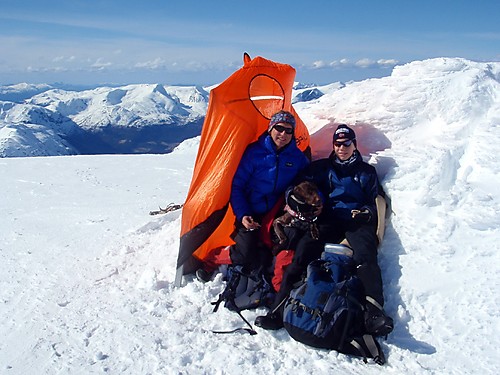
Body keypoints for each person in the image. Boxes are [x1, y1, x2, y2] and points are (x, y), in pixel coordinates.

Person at [255, 124, 394, 337]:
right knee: (301, 255)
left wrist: (367, 212)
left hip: (356, 221)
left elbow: (376, 198)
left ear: (354, 145)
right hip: (329, 219)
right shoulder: (323, 168)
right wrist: (294, 196)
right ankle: (277, 310)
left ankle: (374, 313)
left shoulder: (366, 172)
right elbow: (299, 183)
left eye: (346, 143)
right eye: (337, 144)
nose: (341, 148)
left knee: (365, 257)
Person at [229, 110, 310, 274]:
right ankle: (218, 258)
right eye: (279, 128)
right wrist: (243, 214)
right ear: (270, 128)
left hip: (275, 212)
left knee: (268, 252)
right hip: (251, 211)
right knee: (246, 254)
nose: (283, 134)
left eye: (289, 130)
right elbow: (237, 186)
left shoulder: (297, 157)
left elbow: (308, 181)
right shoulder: (254, 153)